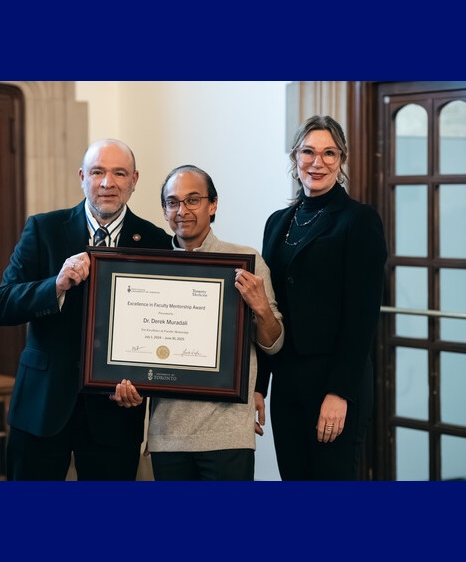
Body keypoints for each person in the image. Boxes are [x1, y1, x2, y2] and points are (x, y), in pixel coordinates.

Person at [0, 139, 172, 481]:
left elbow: (161, 326)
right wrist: (54, 285)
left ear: (134, 180)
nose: (108, 183)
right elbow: (1, 306)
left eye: (119, 173)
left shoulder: (156, 242)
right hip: (41, 406)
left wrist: (144, 386)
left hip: (115, 412)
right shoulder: (43, 229)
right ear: (82, 177)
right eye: (98, 172)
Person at [113, 164, 284, 480]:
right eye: (173, 202)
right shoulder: (150, 267)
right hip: (168, 434)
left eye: (193, 200)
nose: (182, 210)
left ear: (213, 204)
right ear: (164, 211)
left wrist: (261, 308)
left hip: (228, 433)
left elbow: (274, 343)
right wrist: (123, 379)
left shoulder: (245, 262)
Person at [256, 115, 387, 480]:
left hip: (334, 382)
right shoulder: (277, 221)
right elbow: (268, 308)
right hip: (288, 381)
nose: (318, 162)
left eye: (330, 153)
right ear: (295, 157)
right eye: (308, 152)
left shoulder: (359, 220)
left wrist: (339, 393)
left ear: (342, 160)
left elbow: (362, 316)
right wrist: (258, 385)